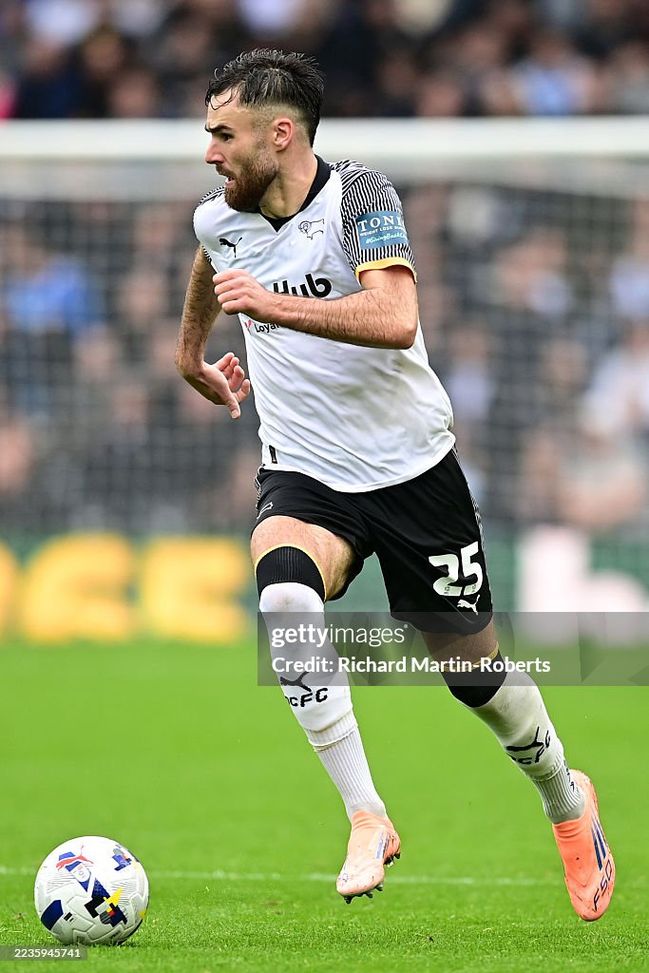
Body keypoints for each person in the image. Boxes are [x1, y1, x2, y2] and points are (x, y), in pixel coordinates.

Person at [175, 48, 615, 919]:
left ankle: (567, 800)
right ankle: (365, 813)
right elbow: (209, 263)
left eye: (223, 134)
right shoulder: (218, 216)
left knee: (474, 675)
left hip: (413, 472)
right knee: (285, 603)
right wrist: (190, 355)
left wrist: (268, 305)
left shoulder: (359, 197)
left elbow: (396, 315)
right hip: (305, 474)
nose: (210, 151)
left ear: (281, 132)